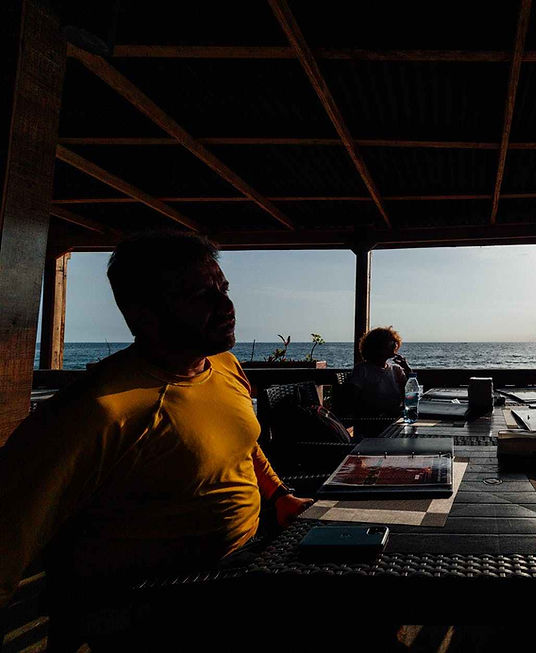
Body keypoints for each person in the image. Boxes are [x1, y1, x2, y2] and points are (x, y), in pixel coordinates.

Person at [0, 232, 312, 616]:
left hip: (255, 552)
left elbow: (242, 442)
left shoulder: (225, 366)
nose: (227, 305)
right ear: (143, 315)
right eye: (201, 295)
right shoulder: (98, 409)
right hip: (164, 596)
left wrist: (280, 496)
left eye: (223, 288)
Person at [347, 326, 412, 421]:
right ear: (377, 346)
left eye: (395, 342)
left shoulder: (396, 370)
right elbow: (351, 400)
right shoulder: (362, 370)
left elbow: (410, 395)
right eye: (390, 342)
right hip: (370, 423)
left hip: (394, 420)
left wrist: (408, 369)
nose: (395, 345)